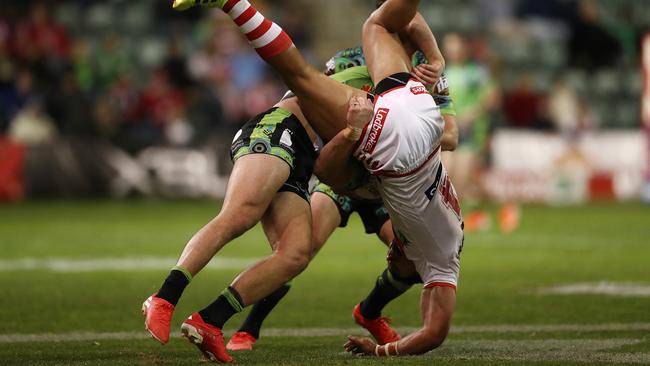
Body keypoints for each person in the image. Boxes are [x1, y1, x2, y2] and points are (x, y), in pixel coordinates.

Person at [145, 0, 445, 363]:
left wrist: (435, 61)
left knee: (295, 254)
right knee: (241, 214)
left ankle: (210, 321)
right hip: (279, 131)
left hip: (318, 163)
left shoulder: (409, 86)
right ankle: (165, 297)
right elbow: (299, 72)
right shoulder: (359, 66)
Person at [226, 47, 459, 351]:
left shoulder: (427, 70)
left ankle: (369, 312)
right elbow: (307, 98)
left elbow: (452, 136)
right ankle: (247, 329)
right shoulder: (346, 60)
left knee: (413, 262)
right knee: (300, 250)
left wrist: (404, 129)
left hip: (388, 183)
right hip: (342, 175)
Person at [312, 0, 464, 357]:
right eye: (399, 255)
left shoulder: (438, 245)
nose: (390, 255)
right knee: (323, 166)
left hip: (406, 138)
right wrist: (383, 352)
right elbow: (434, 333)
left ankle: (367, 312)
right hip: (400, 148)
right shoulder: (441, 262)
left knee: (378, 25)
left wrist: (435, 59)